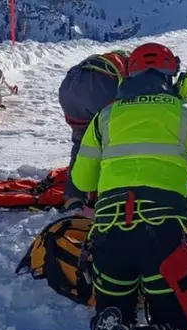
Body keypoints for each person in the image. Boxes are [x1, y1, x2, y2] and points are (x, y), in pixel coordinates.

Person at [71, 42, 187, 330]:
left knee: (116, 302)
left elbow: (81, 181)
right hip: (163, 236)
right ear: (172, 76)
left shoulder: (105, 117)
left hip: (110, 234)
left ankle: (109, 327)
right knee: (176, 321)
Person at [58, 50, 129, 211]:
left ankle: (74, 197)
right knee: (114, 139)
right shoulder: (133, 70)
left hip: (70, 86)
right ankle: (107, 192)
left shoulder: (110, 61)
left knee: (83, 143)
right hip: (100, 86)